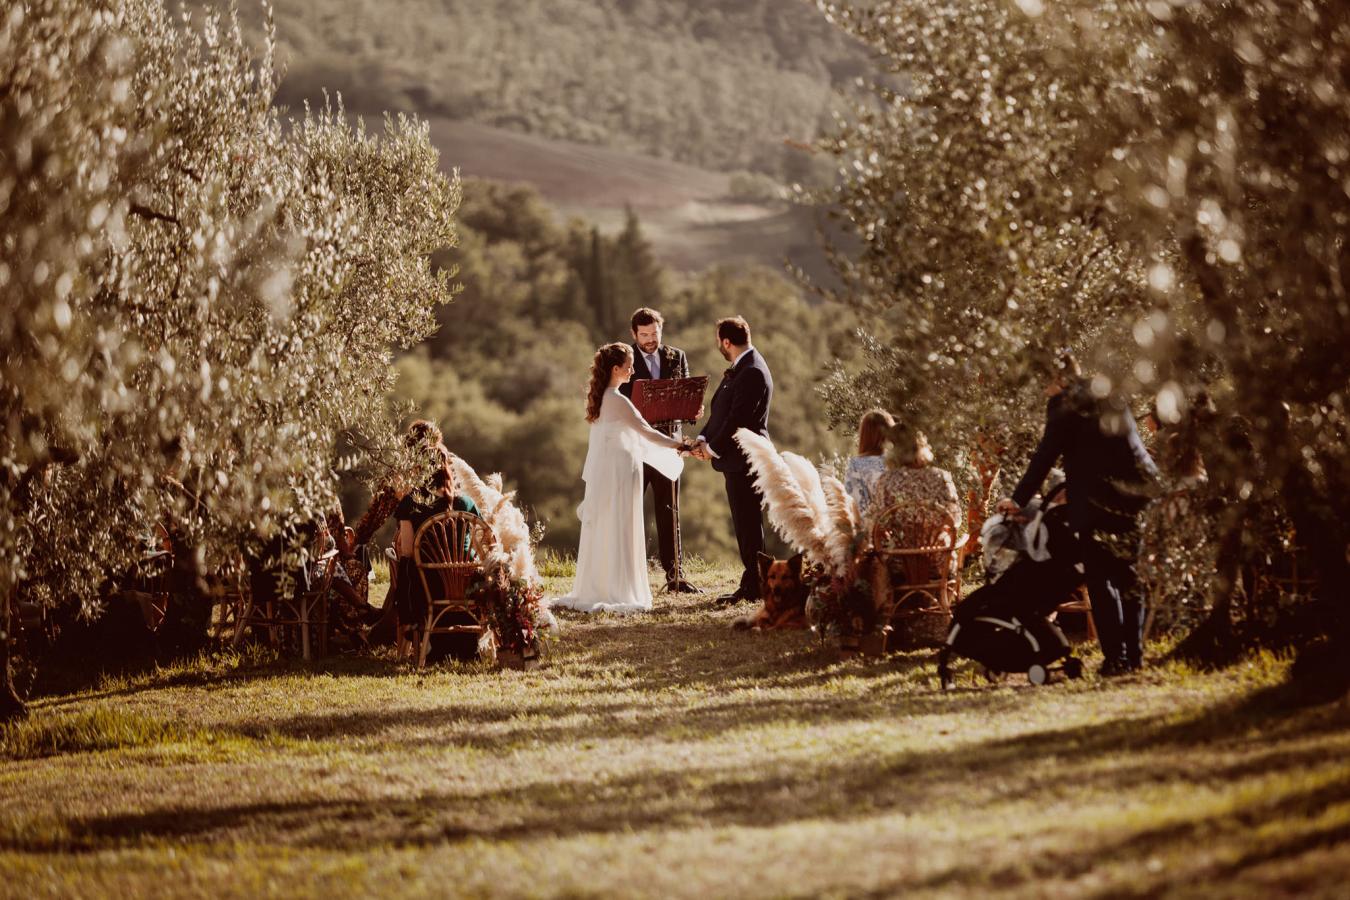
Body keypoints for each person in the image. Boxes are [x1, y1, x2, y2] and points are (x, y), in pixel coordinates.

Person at [997, 354, 1159, 676]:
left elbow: (1045, 456)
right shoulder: (1108, 391)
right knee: (1128, 578)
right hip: (1135, 495)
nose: (1041, 390)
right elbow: (1133, 446)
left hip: (1096, 502)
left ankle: (1116, 659)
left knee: (1101, 579)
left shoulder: (1063, 405)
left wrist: (1017, 500)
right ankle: (1135, 657)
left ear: (1055, 378)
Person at [555, 343, 689, 614]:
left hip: (608, 470)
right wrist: (680, 446)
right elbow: (646, 432)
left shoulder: (601, 397)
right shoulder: (617, 399)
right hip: (620, 472)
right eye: (629, 365)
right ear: (616, 369)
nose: (633, 369)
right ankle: (620, 587)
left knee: (608, 524)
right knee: (621, 525)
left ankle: (602, 583)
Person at [688, 317, 773, 606]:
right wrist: (703, 439)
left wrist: (711, 450)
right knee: (744, 522)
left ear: (726, 341)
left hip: (746, 460)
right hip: (734, 459)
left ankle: (755, 585)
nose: (719, 347)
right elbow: (720, 413)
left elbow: (738, 421)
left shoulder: (752, 372)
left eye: (718, 341)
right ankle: (754, 582)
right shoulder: (741, 369)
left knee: (748, 523)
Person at [618, 307, 699, 592]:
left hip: (668, 447)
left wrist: (692, 409)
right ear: (634, 334)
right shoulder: (623, 358)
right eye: (644, 335)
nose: (651, 340)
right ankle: (625, 575)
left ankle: (675, 575)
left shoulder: (677, 356)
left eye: (655, 333)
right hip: (634, 449)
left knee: (670, 511)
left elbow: (685, 400)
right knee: (628, 510)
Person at [869, 426, 961, 529]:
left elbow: (876, 520)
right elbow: (955, 517)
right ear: (921, 447)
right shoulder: (940, 476)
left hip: (899, 544)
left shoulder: (886, 480)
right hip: (936, 544)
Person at [844, 409, 895, 521]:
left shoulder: (855, 465)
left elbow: (855, 504)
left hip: (871, 532)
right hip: (901, 528)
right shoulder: (897, 462)